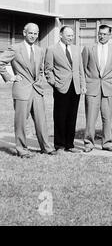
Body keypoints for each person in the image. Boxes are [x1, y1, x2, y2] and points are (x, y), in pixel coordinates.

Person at [0, 23, 56, 158]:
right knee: (20, 122)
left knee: (41, 120)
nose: (33, 36)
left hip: (37, 90)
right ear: (24, 33)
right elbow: (0, 62)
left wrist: (40, 80)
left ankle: (46, 148)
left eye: (36, 33)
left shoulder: (40, 50)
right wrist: (10, 77)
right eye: (31, 33)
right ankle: (22, 150)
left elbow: (40, 69)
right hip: (21, 90)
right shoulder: (15, 48)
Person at [45, 25, 86, 153]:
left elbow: (80, 69)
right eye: (68, 35)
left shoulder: (76, 49)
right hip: (61, 88)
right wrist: (55, 83)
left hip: (75, 88)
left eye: (72, 35)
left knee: (72, 117)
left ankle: (70, 144)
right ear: (61, 35)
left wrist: (83, 85)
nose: (71, 38)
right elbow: (48, 69)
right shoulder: (52, 49)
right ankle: (59, 145)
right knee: (60, 116)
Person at [81, 24, 112, 153]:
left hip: (107, 88)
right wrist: (85, 84)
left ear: (110, 35)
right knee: (91, 117)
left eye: (104, 34)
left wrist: (110, 82)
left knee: (107, 117)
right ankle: (88, 143)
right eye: (100, 34)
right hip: (92, 88)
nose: (102, 36)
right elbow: (83, 67)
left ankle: (107, 143)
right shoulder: (88, 48)